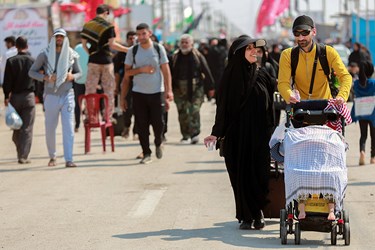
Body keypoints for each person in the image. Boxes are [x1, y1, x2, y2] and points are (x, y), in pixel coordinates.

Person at [278, 15, 352, 220]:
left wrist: (341, 97)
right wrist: (289, 95)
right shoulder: (287, 55)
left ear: (314, 31)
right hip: (301, 112)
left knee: (329, 157)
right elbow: (283, 83)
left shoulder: (328, 52)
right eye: (296, 34)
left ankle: (330, 206)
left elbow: (345, 77)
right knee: (301, 159)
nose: (301, 37)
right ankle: (301, 204)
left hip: (327, 111)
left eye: (304, 32)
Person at [204, 35, 275, 230]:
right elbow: (223, 109)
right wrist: (216, 133)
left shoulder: (263, 74)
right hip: (237, 137)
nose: (254, 51)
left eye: (255, 48)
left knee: (260, 173)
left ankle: (258, 211)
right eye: (249, 49)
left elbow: (275, 103)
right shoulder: (229, 78)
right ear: (237, 53)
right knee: (240, 175)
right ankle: (246, 216)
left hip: (261, 135)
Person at [120, 23, 173, 164]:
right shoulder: (133, 51)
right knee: (141, 125)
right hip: (139, 93)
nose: (141, 37)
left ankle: (158, 142)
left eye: (144, 34)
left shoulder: (158, 48)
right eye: (139, 34)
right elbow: (127, 74)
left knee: (158, 123)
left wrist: (169, 91)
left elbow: (166, 71)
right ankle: (146, 153)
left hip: (157, 92)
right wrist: (141, 70)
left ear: (149, 33)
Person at [29, 28, 82, 168]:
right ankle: (52, 156)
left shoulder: (71, 54)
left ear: (65, 39)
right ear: (53, 38)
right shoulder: (45, 54)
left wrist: (73, 77)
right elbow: (32, 72)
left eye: (61, 36)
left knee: (69, 128)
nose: (59, 39)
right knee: (50, 128)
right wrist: (45, 77)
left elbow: (79, 73)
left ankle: (69, 159)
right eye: (57, 36)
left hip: (67, 94)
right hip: (51, 95)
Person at [81, 4, 128, 119]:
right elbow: (112, 44)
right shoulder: (109, 27)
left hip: (93, 62)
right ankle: (108, 116)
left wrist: (91, 54)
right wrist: (127, 49)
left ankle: (90, 116)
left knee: (90, 89)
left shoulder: (87, 25)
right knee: (109, 90)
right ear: (107, 13)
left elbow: (83, 45)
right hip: (107, 62)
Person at [171, 34, 215, 144]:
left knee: (194, 111)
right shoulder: (175, 56)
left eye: (187, 42)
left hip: (196, 88)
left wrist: (211, 87)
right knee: (182, 112)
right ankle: (185, 135)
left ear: (191, 44)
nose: (184, 44)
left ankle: (194, 134)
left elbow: (206, 70)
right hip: (178, 88)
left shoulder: (197, 55)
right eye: (183, 42)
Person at [2, 36, 35, 164]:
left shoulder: (11, 61)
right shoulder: (33, 61)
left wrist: (6, 96)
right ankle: (24, 155)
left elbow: (7, 82)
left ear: (16, 46)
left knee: (16, 126)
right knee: (27, 128)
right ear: (27, 46)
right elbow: (37, 80)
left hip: (15, 98)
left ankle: (19, 151)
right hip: (29, 97)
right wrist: (38, 95)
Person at [351, 60, 375, 165]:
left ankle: (362, 151)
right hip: (373, 113)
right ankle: (373, 157)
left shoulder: (356, 83)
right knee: (373, 135)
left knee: (363, 134)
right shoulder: (373, 83)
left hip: (361, 111)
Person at [113, 31, 137, 139]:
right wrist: (116, 87)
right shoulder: (121, 54)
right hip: (126, 84)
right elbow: (117, 73)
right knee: (127, 107)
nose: (132, 40)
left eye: (134, 38)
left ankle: (136, 131)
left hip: (140, 84)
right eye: (130, 38)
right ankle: (127, 127)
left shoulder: (141, 52)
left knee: (139, 108)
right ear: (127, 40)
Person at [73, 41, 89, 133]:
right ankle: (90, 122)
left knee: (78, 104)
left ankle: (77, 125)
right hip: (90, 81)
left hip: (78, 80)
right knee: (90, 103)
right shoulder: (92, 47)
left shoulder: (77, 47)